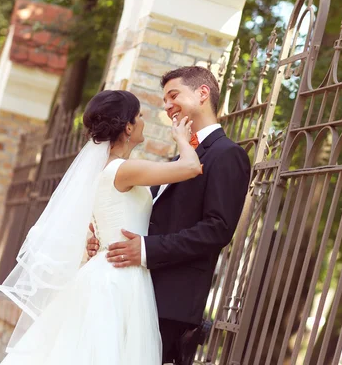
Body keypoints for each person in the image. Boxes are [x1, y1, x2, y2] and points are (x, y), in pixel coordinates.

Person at [0, 89, 203, 365]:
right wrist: (181, 138)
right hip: (118, 278)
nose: (144, 121)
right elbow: (191, 167)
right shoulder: (122, 170)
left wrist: (92, 237)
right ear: (128, 126)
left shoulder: (104, 169)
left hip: (108, 270)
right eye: (140, 116)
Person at [86, 66, 251, 364]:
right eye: (164, 99)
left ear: (202, 93)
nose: (166, 105)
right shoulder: (180, 158)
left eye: (173, 95)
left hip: (171, 303)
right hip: (134, 294)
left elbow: (218, 229)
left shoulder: (227, 154)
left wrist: (147, 249)